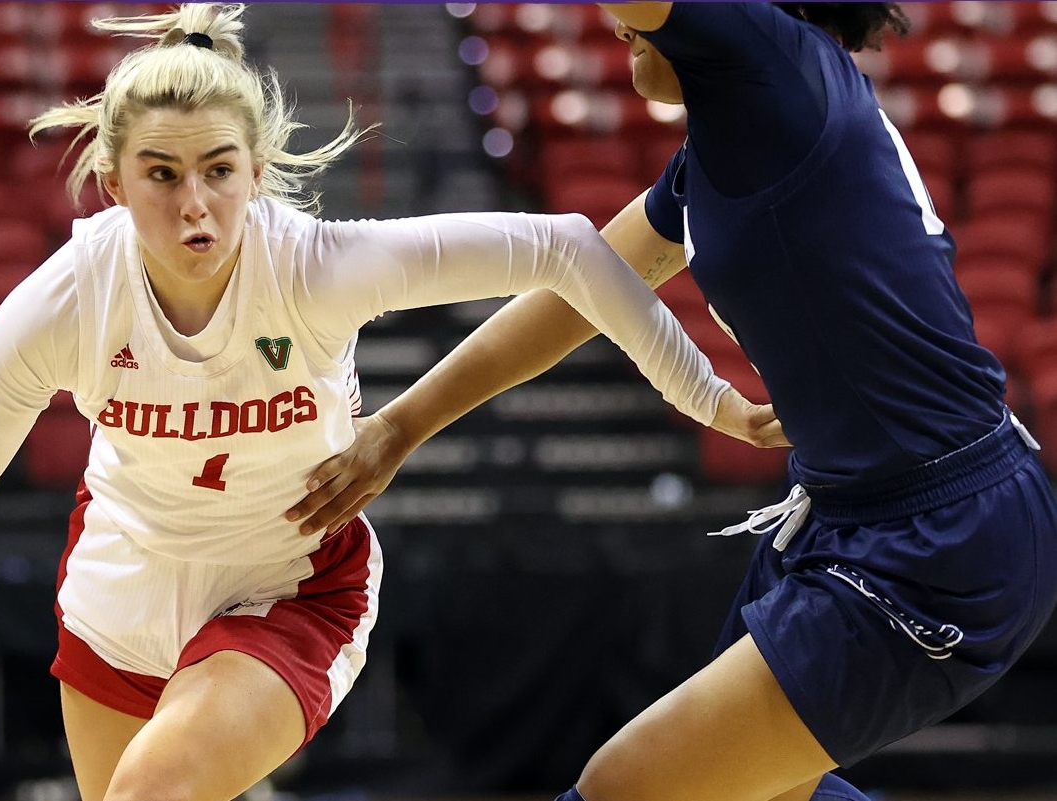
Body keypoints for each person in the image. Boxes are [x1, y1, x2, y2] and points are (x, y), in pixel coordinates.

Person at [0, 5, 781, 801]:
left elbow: (566, 247)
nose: (195, 205)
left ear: (257, 171)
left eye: (218, 170)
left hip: (287, 588)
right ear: (114, 182)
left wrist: (705, 395)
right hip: (119, 591)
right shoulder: (65, 300)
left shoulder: (313, 267)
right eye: (162, 176)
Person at [285, 3, 1057, 801]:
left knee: (623, 788)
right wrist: (400, 425)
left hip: (940, 533)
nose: (615, 23)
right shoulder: (740, 131)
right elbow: (577, 290)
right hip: (857, 516)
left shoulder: (776, 66)